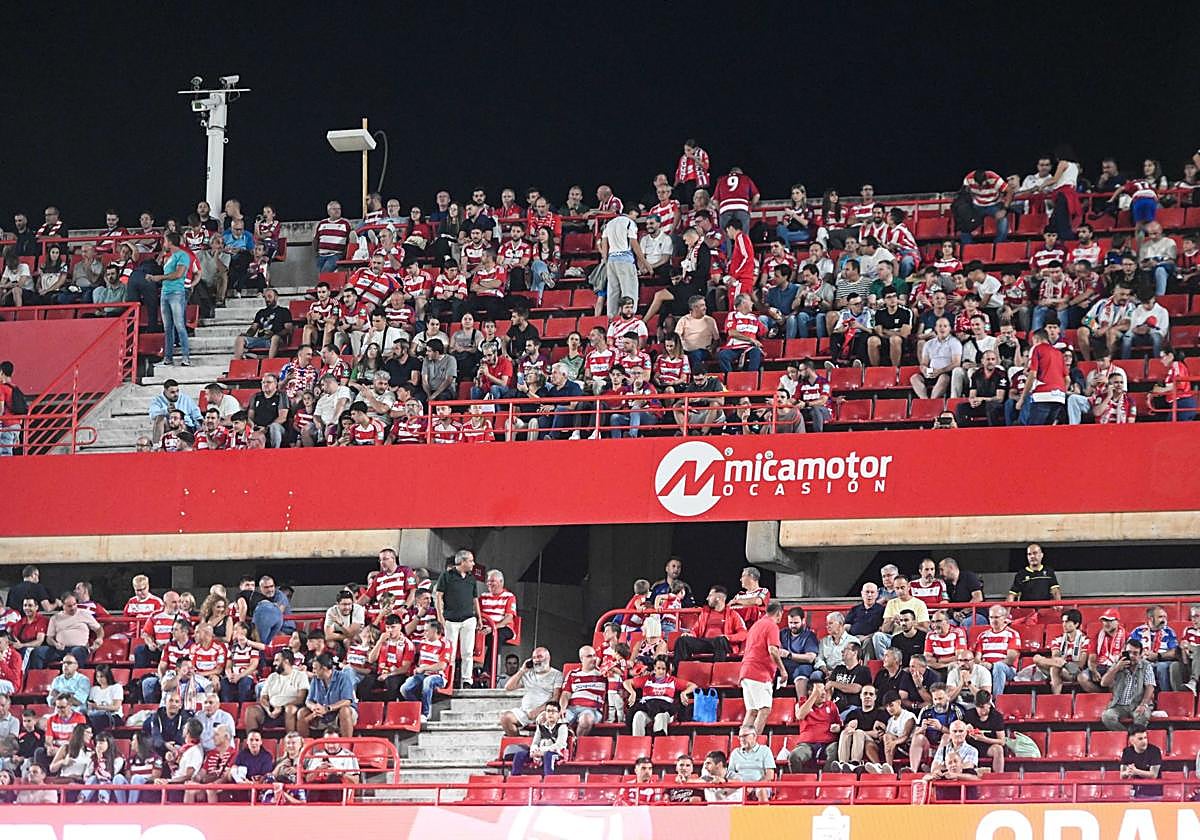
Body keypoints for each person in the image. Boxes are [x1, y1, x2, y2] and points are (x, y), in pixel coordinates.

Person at [434, 549, 481, 690]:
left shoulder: (471, 578)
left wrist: (479, 618)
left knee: (468, 652)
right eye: (471, 561)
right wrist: (440, 616)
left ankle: (467, 680)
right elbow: (438, 596)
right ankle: (449, 679)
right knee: (451, 652)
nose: (473, 564)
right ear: (463, 561)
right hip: (451, 620)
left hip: (468, 619)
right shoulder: (446, 576)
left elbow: (475, 599)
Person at [738, 602, 785, 735]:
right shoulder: (772, 626)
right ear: (779, 613)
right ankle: (754, 743)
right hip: (759, 672)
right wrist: (783, 670)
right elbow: (773, 650)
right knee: (764, 709)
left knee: (752, 711)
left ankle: (743, 743)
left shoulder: (756, 625)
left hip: (746, 671)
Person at [623, 656, 696, 737]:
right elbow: (626, 683)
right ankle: (638, 743)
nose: (660, 671)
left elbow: (693, 685)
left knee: (660, 717)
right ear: (654, 668)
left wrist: (684, 693)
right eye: (658, 668)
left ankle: (660, 742)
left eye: (663, 669)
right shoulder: (647, 679)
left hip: (665, 710)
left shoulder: (672, 681)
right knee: (638, 715)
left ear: (667, 669)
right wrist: (632, 692)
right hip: (648, 709)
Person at [673, 586, 747, 664]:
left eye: (710, 595)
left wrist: (728, 637)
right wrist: (691, 635)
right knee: (682, 640)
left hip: (721, 643)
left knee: (720, 640)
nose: (707, 598)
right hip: (706, 643)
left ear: (718, 598)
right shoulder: (705, 613)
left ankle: (717, 669)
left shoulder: (733, 614)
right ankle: (678, 670)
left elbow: (743, 633)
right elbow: (695, 630)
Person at [499, 648, 564, 736]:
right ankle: (519, 742)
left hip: (545, 711)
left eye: (540, 656)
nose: (536, 660)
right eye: (534, 657)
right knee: (505, 718)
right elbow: (508, 687)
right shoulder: (528, 673)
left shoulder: (557, 674)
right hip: (525, 712)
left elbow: (556, 698)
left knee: (545, 720)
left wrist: (537, 711)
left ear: (548, 658)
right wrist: (522, 670)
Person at [600, 206, 650, 317]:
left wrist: (606, 261)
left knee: (613, 292)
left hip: (611, 260)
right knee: (629, 291)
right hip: (625, 260)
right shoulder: (630, 223)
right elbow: (634, 243)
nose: (635, 219)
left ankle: (611, 318)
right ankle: (629, 316)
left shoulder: (609, 223)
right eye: (636, 216)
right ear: (632, 212)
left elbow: (604, 243)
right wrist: (646, 264)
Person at [29, 594, 103, 670]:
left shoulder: (84, 614)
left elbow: (99, 629)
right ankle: (38, 676)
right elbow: (49, 638)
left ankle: (73, 676)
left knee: (76, 652)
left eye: (74, 604)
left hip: (79, 648)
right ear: (63, 606)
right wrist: (55, 644)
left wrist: (99, 638)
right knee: (37, 652)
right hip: (60, 649)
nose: (73, 608)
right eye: (69, 606)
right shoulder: (55, 618)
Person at [400, 621, 454, 723]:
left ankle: (425, 713)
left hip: (438, 676)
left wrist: (425, 668)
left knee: (428, 681)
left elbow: (442, 666)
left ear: (435, 631)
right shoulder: (422, 642)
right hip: (421, 674)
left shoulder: (445, 644)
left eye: (426, 631)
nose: (424, 633)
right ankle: (419, 709)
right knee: (404, 689)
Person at [827, 684, 888, 772]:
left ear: (875, 697)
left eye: (871, 694)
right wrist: (842, 728)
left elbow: (876, 734)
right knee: (845, 733)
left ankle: (855, 764)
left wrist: (858, 731)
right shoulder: (854, 713)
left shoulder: (880, 713)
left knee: (858, 732)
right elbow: (847, 728)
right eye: (865, 693)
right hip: (854, 742)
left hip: (872, 744)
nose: (868, 696)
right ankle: (842, 764)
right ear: (860, 696)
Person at [1100, 639, 1157, 731]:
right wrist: (1116, 668)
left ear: (1140, 655)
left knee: (1142, 715)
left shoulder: (1146, 666)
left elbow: (1150, 687)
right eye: (1129, 652)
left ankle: (1134, 736)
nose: (1131, 656)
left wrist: (1143, 704)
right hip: (1119, 705)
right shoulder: (1117, 664)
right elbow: (1104, 683)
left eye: (1135, 653)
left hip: (1137, 703)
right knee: (1107, 716)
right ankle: (1127, 735)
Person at [298, 653, 357, 737]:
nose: (313, 671)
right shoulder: (315, 679)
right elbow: (308, 701)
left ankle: (346, 742)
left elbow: (347, 701)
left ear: (324, 669)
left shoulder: (343, 677)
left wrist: (327, 708)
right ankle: (303, 743)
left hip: (339, 714)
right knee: (301, 712)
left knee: (344, 710)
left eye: (315, 668)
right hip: (321, 714)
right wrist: (314, 707)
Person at [908, 684, 963, 772]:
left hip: (949, 748)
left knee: (946, 736)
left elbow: (960, 734)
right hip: (929, 746)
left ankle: (936, 767)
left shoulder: (955, 711)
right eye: (935, 699)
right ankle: (913, 770)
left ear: (947, 697)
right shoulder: (926, 710)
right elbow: (915, 733)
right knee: (918, 737)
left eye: (940, 699)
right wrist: (922, 729)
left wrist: (941, 728)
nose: (937, 702)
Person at [787, 682, 842, 772]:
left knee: (836, 749)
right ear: (810, 692)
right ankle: (799, 781)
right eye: (820, 690)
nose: (823, 693)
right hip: (807, 745)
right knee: (794, 756)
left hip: (828, 743)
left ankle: (826, 779)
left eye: (824, 690)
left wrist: (838, 728)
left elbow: (840, 725)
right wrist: (814, 695)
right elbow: (800, 716)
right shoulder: (802, 703)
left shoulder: (831, 705)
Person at [1034, 608, 1091, 694]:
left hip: (1075, 671)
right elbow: (1055, 657)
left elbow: (1081, 664)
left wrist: (1062, 664)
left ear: (1076, 624)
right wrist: (1063, 663)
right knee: (1037, 657)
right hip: (1060, 666)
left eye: (1067, 622)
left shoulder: (1085, 640)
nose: (1064, 624)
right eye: (1063, 622)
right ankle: (1056, 697)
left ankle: (1056, 697)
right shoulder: (1057, 639)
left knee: (1054, 668)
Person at [509, 700, 569, 777]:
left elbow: (559, 745)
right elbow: (535, 742)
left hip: (556, 753)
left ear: (558, 713)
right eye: (548, 711)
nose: (550, 714)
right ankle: (515, 777)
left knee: (548, 756)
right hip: (540, 751)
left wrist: (541, 751)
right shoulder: (541, 726)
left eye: (553, 711)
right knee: (520, 755)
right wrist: (534, 752)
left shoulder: (562, 726)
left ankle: (548, 779)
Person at [1130, 605, 1180, 692]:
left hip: (1162, 661)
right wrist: (1142, 655)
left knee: (1162, 667)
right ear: (1151, 618)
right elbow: (1130, 649)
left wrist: (1158, 656)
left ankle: (1165, 695)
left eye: (1165, 617)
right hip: (1142, 660)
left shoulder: (1169, 632)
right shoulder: (1138, 631)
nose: (1164, 620)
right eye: (1160, 617)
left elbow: (1174, 652)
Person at [560, 645, 606, 737]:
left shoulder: (603, 674)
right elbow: (565, 694)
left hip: (591, 710)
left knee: (586, 720)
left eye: (594, 655)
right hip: (571, 709)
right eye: (589, 656)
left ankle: (576, 743)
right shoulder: (573, 674)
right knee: (556, 720)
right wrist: (563, 708)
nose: (593, 659)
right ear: (581, 659)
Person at [728, 725, 775, 802]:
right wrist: (742, 785)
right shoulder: (735, 753)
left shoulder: (765, 750)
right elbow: (730, 774)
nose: (742, 739)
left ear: (754, 736)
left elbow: (770, 775)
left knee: (761, 791)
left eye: (745, 736)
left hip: (760, 785)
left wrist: (753, 786)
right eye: (740, 737)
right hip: (740, 786)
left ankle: (765, 810)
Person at [1120, 724, 1163, 799]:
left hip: (1154, 794)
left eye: (1145, 738)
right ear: (1131, 740)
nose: (1144, 741)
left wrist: (1136, 771)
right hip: (1135, 793)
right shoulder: (1127, 752)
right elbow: (1122, 775)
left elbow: (1153, 775)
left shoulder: (1155, 751)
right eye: (1140, 739)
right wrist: (1127, 772)